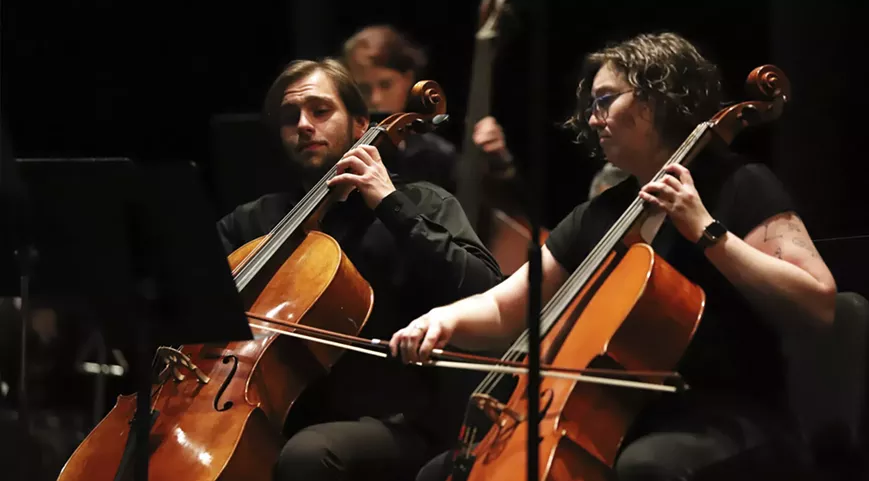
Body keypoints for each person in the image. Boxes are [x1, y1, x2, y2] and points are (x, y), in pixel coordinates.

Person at [391, 32, 837, 480]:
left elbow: (818, 303)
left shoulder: (740, 186)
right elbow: (507, 306)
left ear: (659, 98)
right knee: (441, 473)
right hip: (621, 415)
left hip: (728, 414)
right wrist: (441, 320)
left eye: (605, 100)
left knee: (646, 469)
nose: (592, 118)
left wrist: (706, 230)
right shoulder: (602, 214)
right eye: (591, 105)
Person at [215, 58, 503, 481]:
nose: (304, 125)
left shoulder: (421, 203)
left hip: (399, 419)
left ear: (360, 124)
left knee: (306, 455)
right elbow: (195, 296)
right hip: (278, 412)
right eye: (290, 117)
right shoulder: (256, 222)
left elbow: (485, 286)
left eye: (320, 110)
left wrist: (390, 204)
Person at [341, 25, 515, 193]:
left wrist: (498, 163)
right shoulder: (341, 150)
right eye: (364, 89)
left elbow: (490, 202)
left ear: (408, 79)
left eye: (386, 85)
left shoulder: (435, 154)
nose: (375, 99)